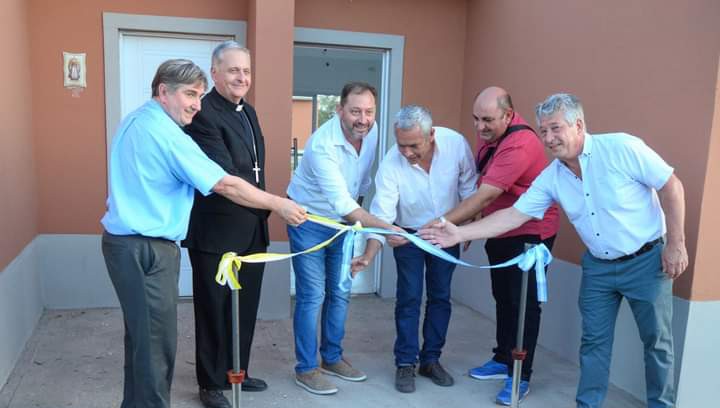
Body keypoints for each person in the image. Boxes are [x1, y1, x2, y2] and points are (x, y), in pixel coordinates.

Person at [420, 93, 688, 408]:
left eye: (556, 128)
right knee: (593, 344)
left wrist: (676, 243)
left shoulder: (621, 147)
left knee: (657, 343)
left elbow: (671, 185)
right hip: (598, 268)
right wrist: (459, 232)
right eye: (543, 130)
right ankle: (588, 404)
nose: (548, 138)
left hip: (646, 261)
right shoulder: (553, 176)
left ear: (579, 125)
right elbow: (513, 215)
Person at [100, 59, 306, 408]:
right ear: (163, 92)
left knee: (142, 345)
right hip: (147, 250)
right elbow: (225, 183)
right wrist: (278, 204)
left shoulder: (135, 120)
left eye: (199, 94)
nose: (197, 103)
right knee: (155, 350)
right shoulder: (165, 134)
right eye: (190, 94)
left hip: (125, 246)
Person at [432, 87, 560, 405]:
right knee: (503, 299)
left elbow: (487, 193)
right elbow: (483, 183)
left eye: (487, 120)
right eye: (475, 119)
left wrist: (445, 225)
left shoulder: (521, 142)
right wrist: (471, 222)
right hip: (499, 231)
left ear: (507, 114)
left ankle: (521, 376)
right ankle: (503, 359)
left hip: (530, 234)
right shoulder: (491, 134)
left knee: (524, 308)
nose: (479, 127)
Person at [286, 82, 403, 395]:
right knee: (313, 295)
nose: (362, 119)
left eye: (368, 111)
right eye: (355, 111)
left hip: (344, 223)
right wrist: (386, 227)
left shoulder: (373, 130)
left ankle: (332, 358)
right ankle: (306, 368)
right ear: (339, 110)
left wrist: (360, 221)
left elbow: (361, 183)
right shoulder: (322, 145)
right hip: (308, 220)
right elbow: (342, 202)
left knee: (340, 290)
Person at [350, 105, 477, 393]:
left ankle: (431, 360)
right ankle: (405, 362)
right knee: (409, 297)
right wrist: (370, 253)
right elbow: (381, 213)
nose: (406, 152)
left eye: (413, 145)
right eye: (401, 144)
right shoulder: (391, 163)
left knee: (441, 297)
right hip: (407, 235)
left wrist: (468, 224)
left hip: (445, 232)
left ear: (431, 135)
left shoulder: (456, 144)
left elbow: (469, 186)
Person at [180, 42, 269, 408]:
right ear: (214, 72)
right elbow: (223, 176)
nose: (241, 77)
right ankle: (211, 383)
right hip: (216, 233)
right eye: (233, 70)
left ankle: (237, 372)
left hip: (251, 229)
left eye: (246, 71)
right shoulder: (204, 115)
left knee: (244, 307)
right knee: (214, 310)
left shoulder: (248, 112)